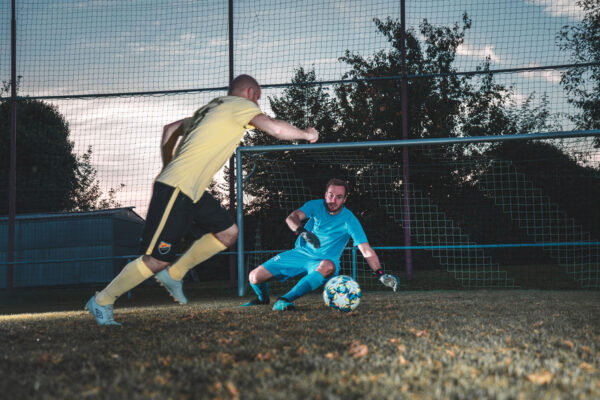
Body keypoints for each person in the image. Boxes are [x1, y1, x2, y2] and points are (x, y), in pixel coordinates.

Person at [86, 74, 319, 325]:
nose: (258, 105)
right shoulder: (241, 106)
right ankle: (102, 301)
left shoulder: (210, 109)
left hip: (191, 189)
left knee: (228, 233)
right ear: (250, 92)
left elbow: (170, 129)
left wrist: (169, 163)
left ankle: (174, 274)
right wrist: (306, 134)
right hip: (177, 187)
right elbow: (275, 128)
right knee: (156, 259)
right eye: (258, 98)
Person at [242, 178, 400, 311]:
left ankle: (284, 300)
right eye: (330, 195)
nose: (333, 200)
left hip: (323, 262)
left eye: (339, 197)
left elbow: (366, 250)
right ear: (325, 195)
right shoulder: (315, 206)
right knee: (254, 277)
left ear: (344, 199)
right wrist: (302, 232)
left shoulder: (349, 220)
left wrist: (380, 274)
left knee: (328, 265)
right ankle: (263, 299)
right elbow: (292, 217)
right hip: (299, 254)